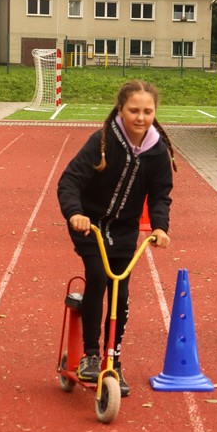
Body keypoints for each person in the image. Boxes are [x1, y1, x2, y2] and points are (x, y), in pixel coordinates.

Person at [57, 80, 176, 397]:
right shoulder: (103, 142)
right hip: (90, 225)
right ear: (121, 109)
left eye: (147, 111)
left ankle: (114, 359)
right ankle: (90, 355)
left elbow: (160, 195)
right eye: (134, 110)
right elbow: (69, 181)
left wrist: (160, 227)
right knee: (97, 277)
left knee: (120, 295)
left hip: (124, 230)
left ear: (155, 112)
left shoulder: (157, 152)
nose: (141, 117)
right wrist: (74, 213)